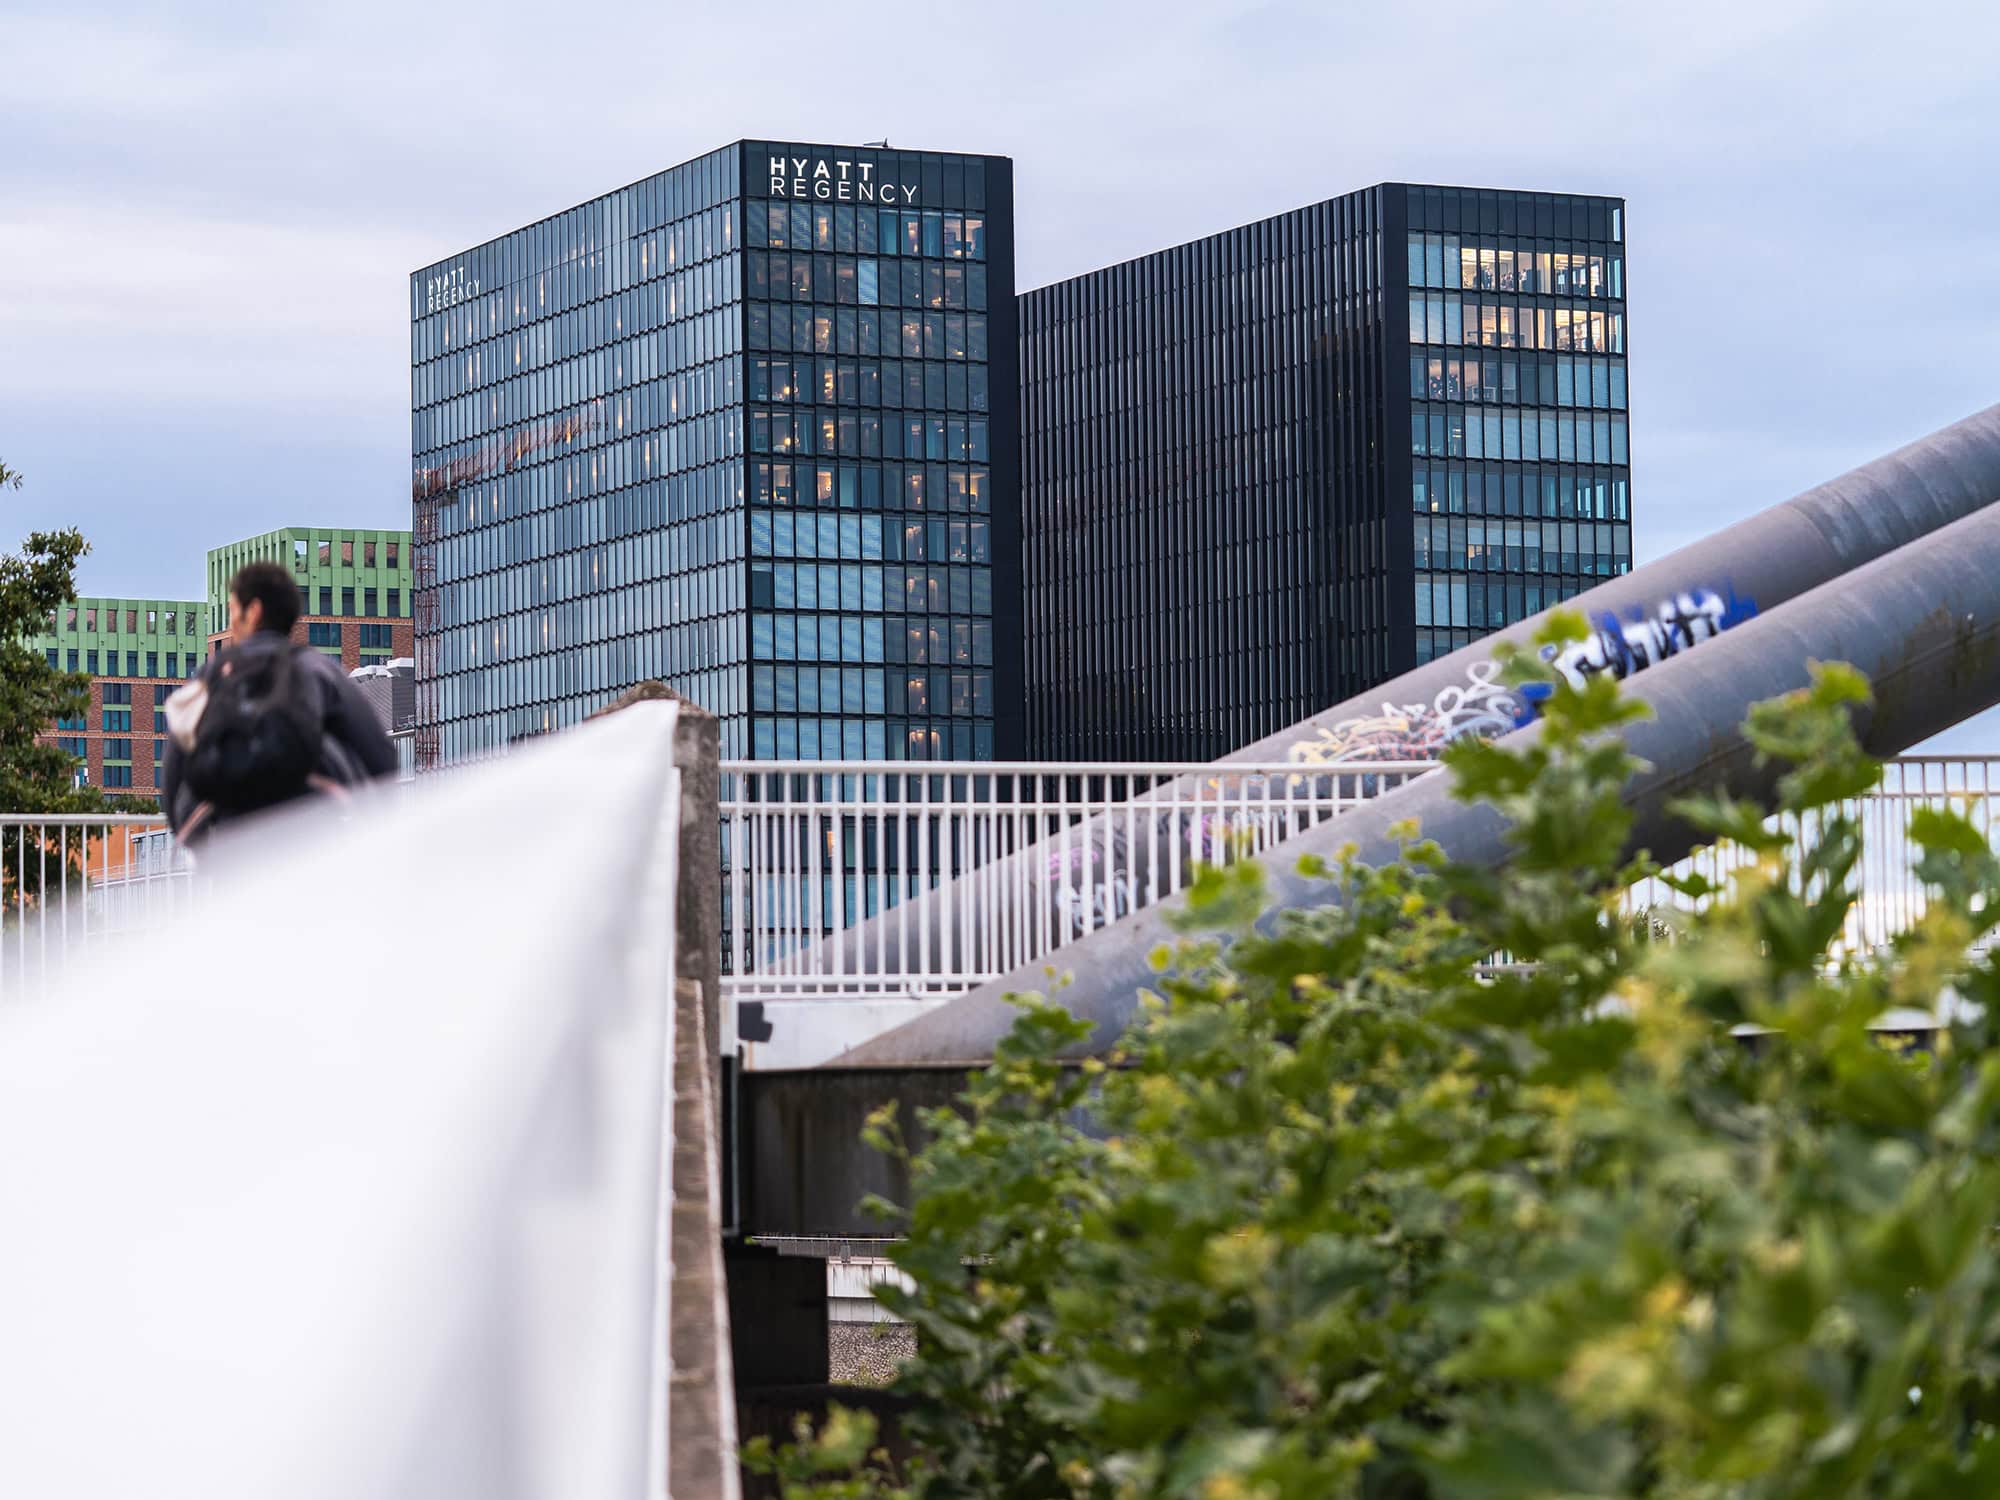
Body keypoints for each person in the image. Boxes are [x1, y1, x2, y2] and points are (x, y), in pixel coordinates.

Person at [162, 562, 397, 844]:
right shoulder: (318, 670)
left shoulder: (210, 677)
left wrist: (206, 852)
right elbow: (380, 758)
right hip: (312, 846)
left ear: (254, 611)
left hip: (231, 851)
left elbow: (173, 777)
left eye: (233, 610)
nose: (231, 621)